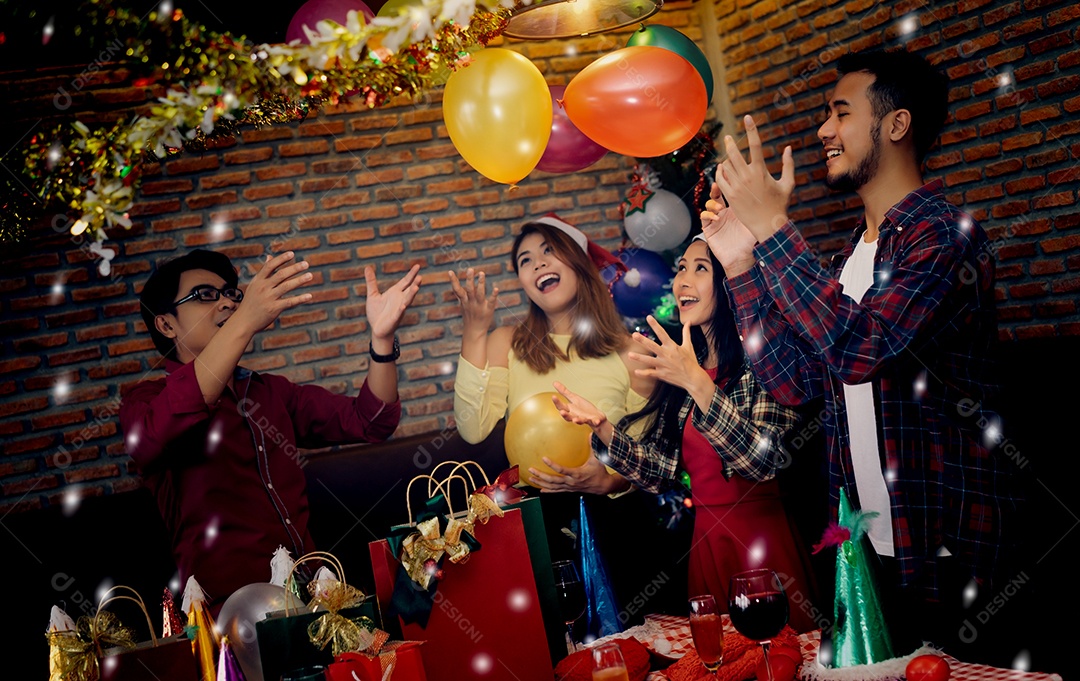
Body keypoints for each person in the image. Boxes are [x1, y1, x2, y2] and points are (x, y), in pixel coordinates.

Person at [701, 49, 1018, 658]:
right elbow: (793, 381)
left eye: (840, 113)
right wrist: (740, 261)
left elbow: (861, 350)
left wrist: (773, 229)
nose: (823, 130)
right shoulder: (852, 256)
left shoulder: (944, 234)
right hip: (867, 545)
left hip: (949, 551)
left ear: (895, 125)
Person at [120, 249, 421, 614]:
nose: (228, 303)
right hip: (227, 623)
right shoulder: (145, 403)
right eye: (205, 295)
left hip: (314, 601)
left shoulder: (270, 392)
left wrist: (382, 340)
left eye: (232, 294)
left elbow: (372, 421)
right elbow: (170, 420)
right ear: (166, 324)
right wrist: (245, 321)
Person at [549, 237, 821, 633]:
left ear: (730, 282)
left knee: (778, 656)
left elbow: (764, 461)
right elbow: (663, 473)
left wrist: (699, 384)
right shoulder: (680, 364)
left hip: (762, 541)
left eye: (700, 269)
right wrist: (602, 426)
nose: (683, 282)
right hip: (707, 543)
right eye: (681, 269)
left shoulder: (763, 358)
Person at [449, 216, 687, 627]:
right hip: (537, 528)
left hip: (618, 524)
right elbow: (473, 428)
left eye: (549, 251)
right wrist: (474, 331)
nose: (538, 264)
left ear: (578, 261)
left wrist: (609, 481)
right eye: (525, 260)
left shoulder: (632, 353)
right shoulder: (506, 342)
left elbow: (649, 462)